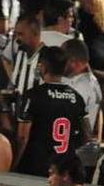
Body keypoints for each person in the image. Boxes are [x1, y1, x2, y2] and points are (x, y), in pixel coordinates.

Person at [14, 46, 90, 176]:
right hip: (63, 168)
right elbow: (87, 135)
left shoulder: (33, 96)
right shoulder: (77, 98)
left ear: (43, 67)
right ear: (65, 67)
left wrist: (14, 165)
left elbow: (22, 137)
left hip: (35, 166)